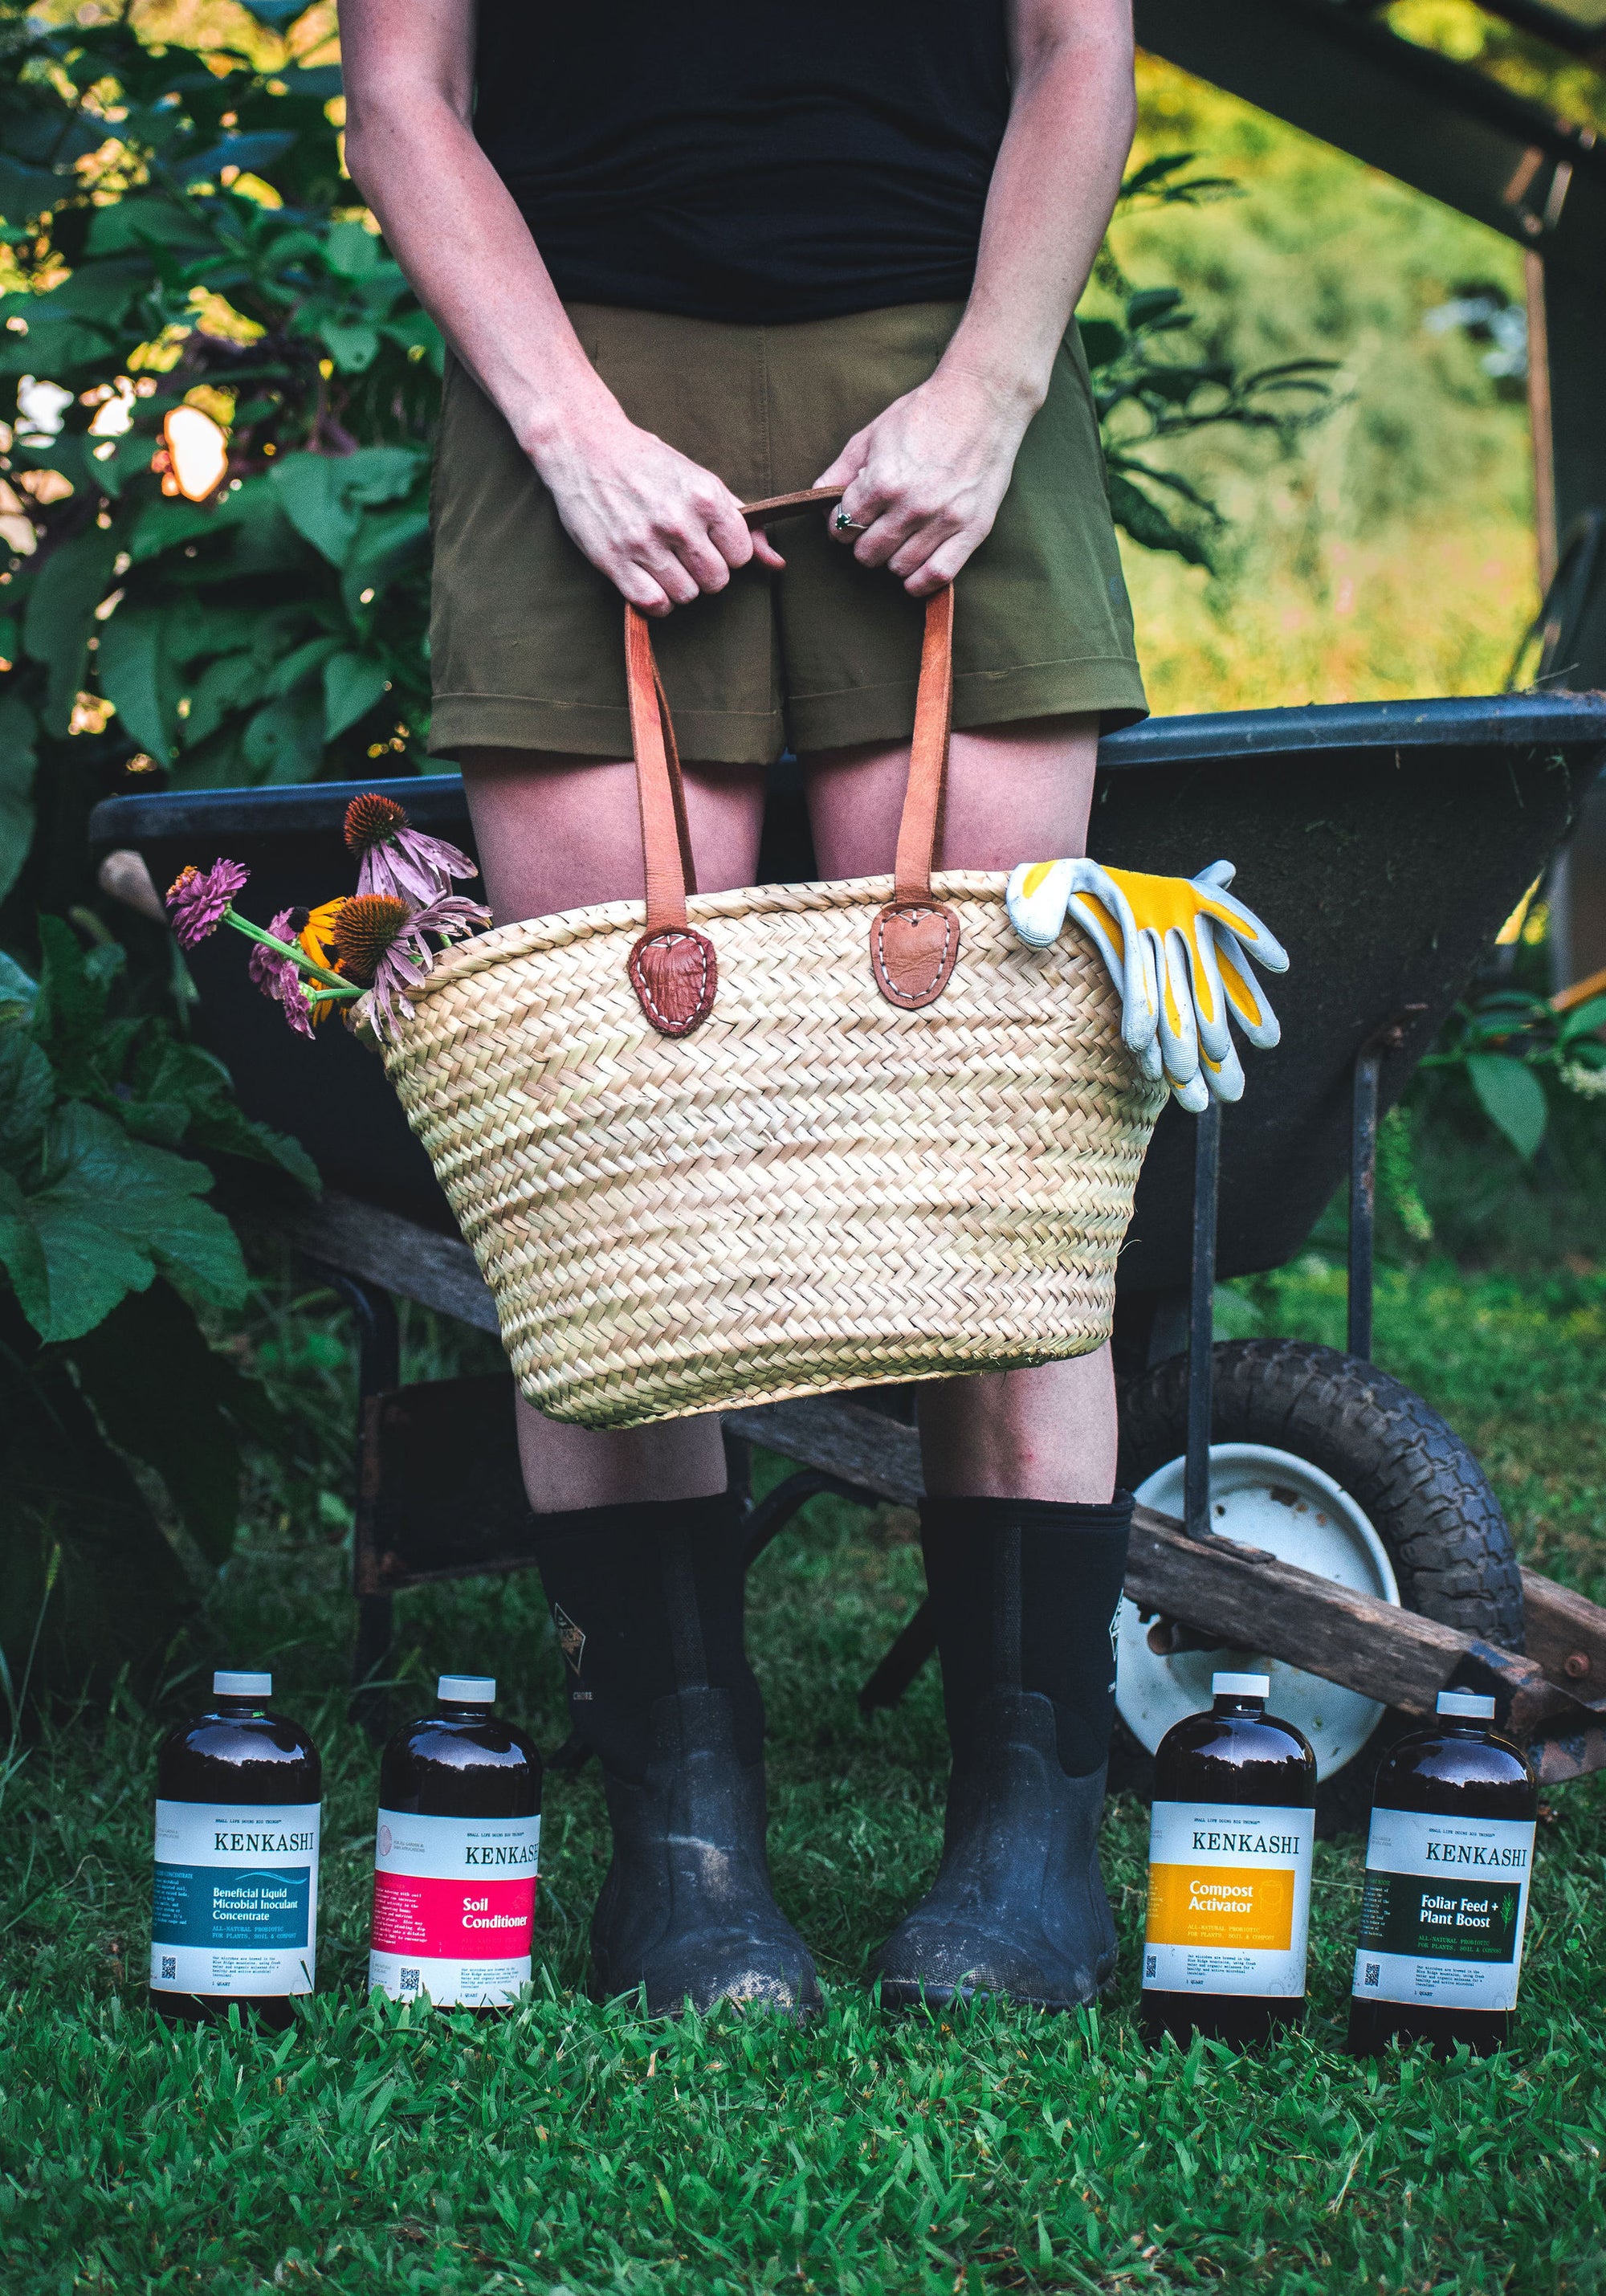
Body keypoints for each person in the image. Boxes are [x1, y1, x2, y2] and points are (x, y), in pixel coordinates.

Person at [341, 0, 1149, 2018]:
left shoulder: (981, 377)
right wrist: (570, 432)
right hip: (578, 379)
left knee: (995, 1142)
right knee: (620, 1158)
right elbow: (402, 98)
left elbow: (1078, 50)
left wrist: (989, 385)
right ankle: (684, 1847)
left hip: (952, 363)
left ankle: (1029, 1830)